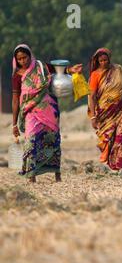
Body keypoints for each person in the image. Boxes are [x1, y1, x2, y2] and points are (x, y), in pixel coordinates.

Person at [11, 44, 81, 183]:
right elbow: (15, 99)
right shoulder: (17, 76)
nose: (23, 61)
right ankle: (32, 175)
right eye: (19, 59)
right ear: (16, 60)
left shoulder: (41, 67)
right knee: (30, 141)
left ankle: (56, 174)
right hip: (30, 111)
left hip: (48, 109)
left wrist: (71, 70)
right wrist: (14, 124)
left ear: (30, 55)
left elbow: (59, 70)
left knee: (52, 140)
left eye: (25, 57)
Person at [88, 48, 122, 176]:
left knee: (121, 138)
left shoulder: (118, 70)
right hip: (104, 113)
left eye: (105, 60)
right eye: (101, 61)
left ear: (109, 59)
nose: (104, 63)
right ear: (97, 61)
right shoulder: (95, 75)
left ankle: (120, 168)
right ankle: (110, 167)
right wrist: (93, 116)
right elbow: (92, 96)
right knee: (108, 139)